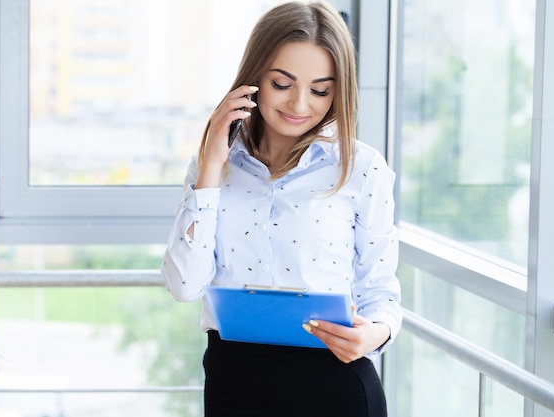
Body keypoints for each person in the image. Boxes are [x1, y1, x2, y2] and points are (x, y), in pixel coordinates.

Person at [161, 1, 402, 416]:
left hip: (336, 385)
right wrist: (212, 168)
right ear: (254, 77)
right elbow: (184, 286)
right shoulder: (212, 165)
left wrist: (374, 335)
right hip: (234, 382)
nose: (300, 104)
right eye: (282, 83)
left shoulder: (361, 168)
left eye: (321, 90)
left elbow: (379, 290)